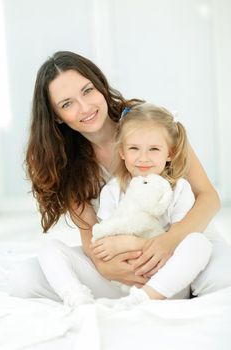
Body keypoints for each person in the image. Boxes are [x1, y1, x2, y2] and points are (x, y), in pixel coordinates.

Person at [0, 50, 231, 304]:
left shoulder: (146, 122)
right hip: (129, 261)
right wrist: (108, 268)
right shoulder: (67, 163)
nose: (85, 107)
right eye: (67, 104)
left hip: (187, 241)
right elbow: (92, 237)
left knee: (223, 279)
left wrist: (169, 241)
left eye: (87, 91)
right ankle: (147, 295)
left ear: (100, 86)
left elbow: (209, 197)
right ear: (57, 116)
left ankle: (178, 287)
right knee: (25, 279)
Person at [90, 102, 213, 308]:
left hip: (168, 282)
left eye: (154, 149)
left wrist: (130, 244)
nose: (143, 158)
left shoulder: (179, 189)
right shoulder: (113, 190)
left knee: (199, 244)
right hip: (125, 278)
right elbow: (105, 241)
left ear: (170, 153)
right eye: (134, 149)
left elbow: (176, 244)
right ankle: (77, 297)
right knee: (53, 250)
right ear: (122, 152)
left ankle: (140, 301)